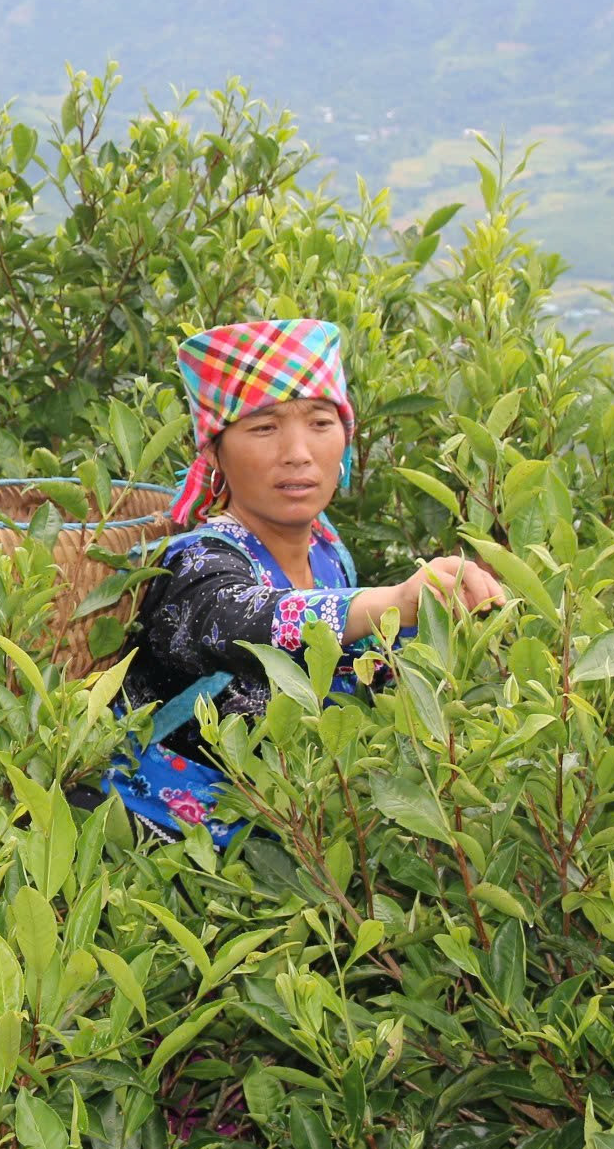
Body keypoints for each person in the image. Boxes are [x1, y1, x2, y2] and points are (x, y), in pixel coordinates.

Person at [93, 318, 503, 846]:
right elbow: (249, 621)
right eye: (263, 428)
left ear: (346, 439)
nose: (298, 452)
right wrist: (393, 600)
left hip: (286, 834)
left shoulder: (329, 553)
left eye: (319, 423)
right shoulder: (194, 564)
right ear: (214, 452)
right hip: (153, 842)